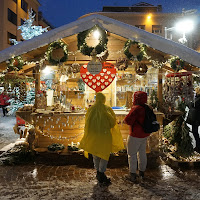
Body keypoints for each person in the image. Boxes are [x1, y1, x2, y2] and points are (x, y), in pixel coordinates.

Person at [79, 92, 124, 184]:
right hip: (104, 136)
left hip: (93, 135)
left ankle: (98, 172)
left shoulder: (90, 109)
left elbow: (87, 122)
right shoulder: (107, 109)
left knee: (95, 154)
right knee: (104, 155)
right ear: (104, 99)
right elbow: (112, 123)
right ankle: (101, 173)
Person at [124, 91, 150, 182]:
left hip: (135, 135)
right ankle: (142, 173)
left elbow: (127, 120)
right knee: (142, 153)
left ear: (136, 98)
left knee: (132, 154)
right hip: (144, 135)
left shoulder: (136, 108)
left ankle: (132, 175)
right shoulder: (147, 108)